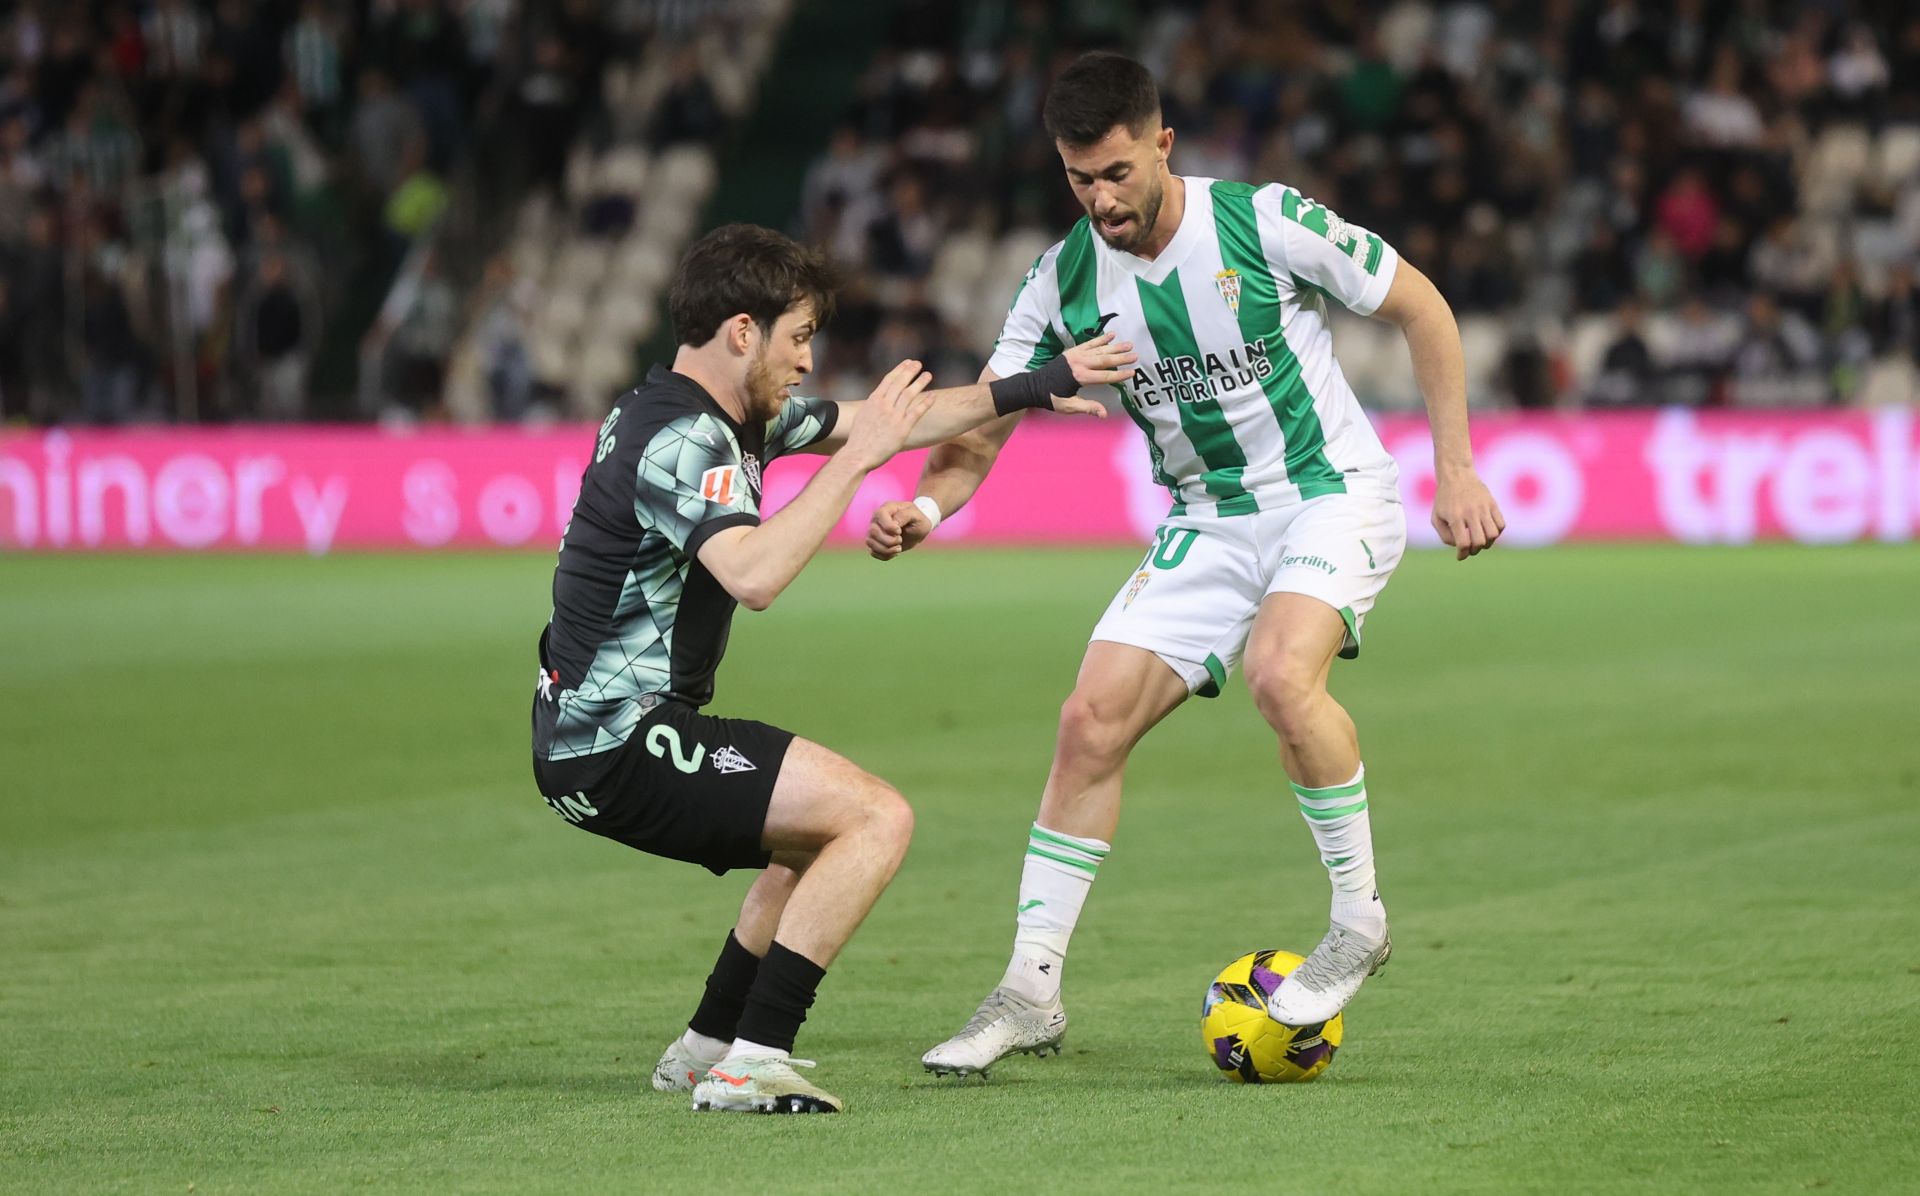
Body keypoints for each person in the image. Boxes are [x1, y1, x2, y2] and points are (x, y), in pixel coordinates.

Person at [865, 53, 1506, 1077]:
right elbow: (987, 419)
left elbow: (1422, 306)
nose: (1101, 199)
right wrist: (928, 505)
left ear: (1164, 145)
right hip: (1208, 518)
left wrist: (1458, 470)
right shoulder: (1063, 277)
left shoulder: (1263, 221)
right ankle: (1030, 989)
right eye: (1080, 179)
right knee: (1089, 720)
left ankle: (1359, 920)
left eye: (1118, 172)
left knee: (1279, 671)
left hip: (1329, 489)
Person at [530, 223, 1131, 1114]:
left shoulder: (724, 417)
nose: (809, 360)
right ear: (744, 331)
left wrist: (1039, 384)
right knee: (875, 820)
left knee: (811, 841)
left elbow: (895, 424)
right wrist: (856, 463)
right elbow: (756, 574)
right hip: (618, 738)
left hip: (598, 736)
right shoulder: (681, 440)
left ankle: (703, 1050)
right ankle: (753, 1062)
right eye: (800, 335)